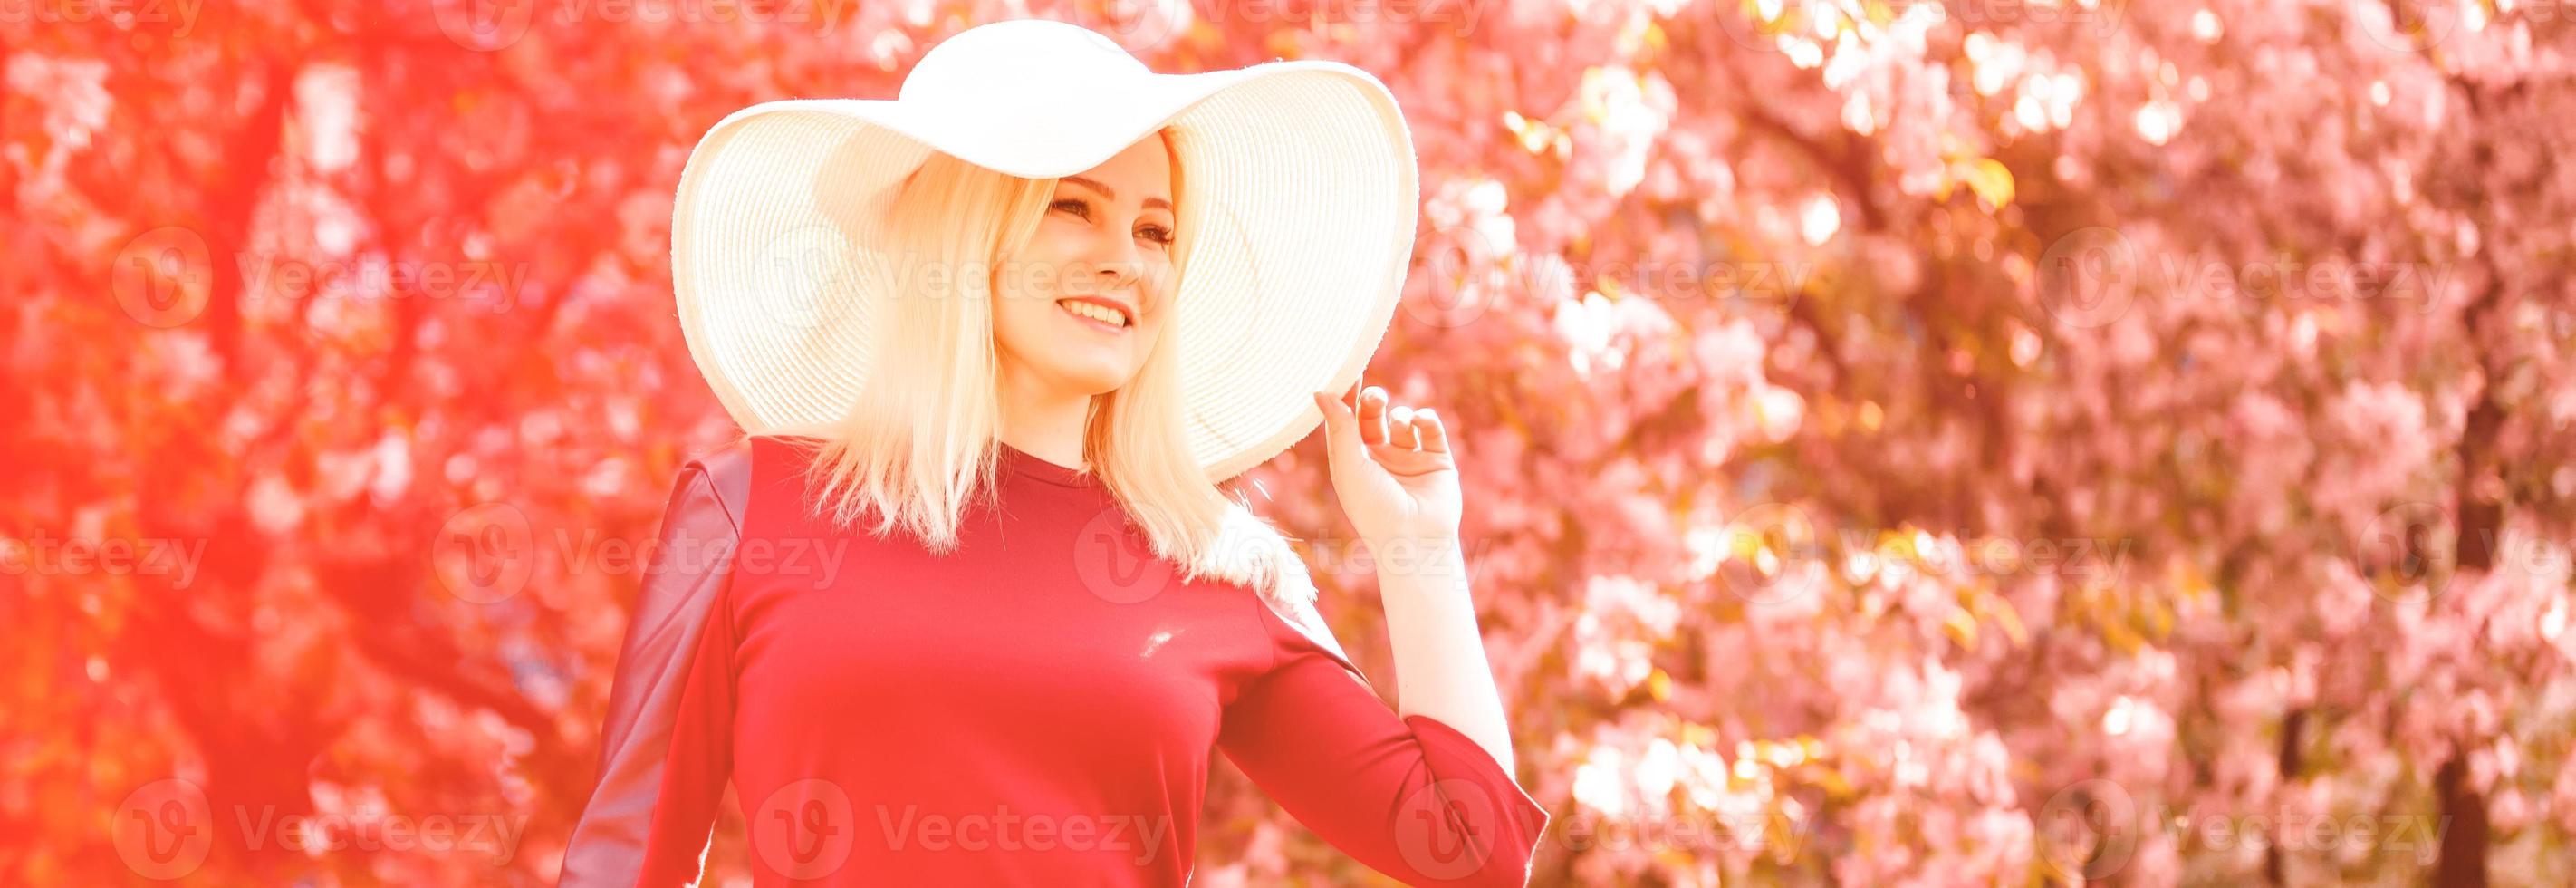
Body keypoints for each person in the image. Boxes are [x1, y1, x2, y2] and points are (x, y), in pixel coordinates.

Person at [559, 18, 1547, 886]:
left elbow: (1472, 847)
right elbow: (625, 855)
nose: (1128, 258)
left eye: (1156, 230)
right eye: (1074, 206)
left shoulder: (1213, 563)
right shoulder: (749, 511)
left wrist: (1420, 549)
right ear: (962, 234)